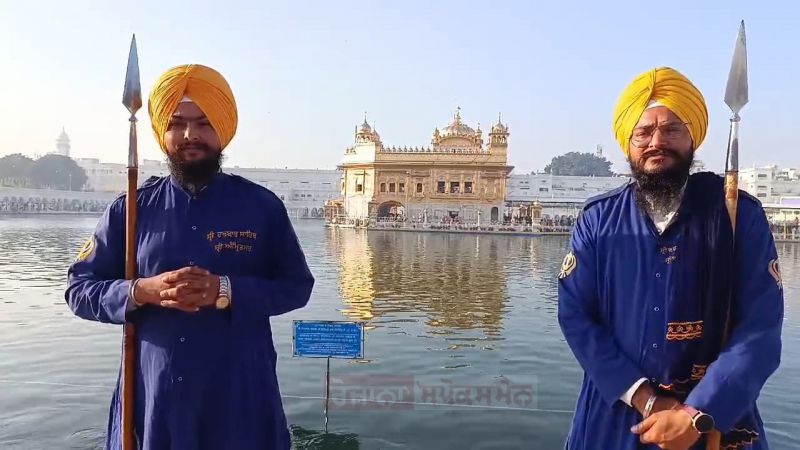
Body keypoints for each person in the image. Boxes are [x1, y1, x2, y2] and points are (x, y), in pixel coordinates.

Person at [65, 64, 314, 449]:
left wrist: (225, 289)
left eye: (204, 123)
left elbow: (297, 286)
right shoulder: (131, 209)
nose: (189, 135)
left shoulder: (261, 207)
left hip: (239, 397)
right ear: (162, 132)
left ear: (223, 131)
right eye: (177, 123)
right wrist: (140, 291)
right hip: (155, 396)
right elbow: (80, 290)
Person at [557, 67, 783, 449]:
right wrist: (647, 399)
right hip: (617, 416)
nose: (656, 142)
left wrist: (696, 414)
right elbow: (577, 318)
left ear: (693, 137)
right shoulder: (599, 220)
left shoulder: (736, 215)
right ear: (627, 142)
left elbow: (760, 328)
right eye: (643, 132)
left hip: (714, 421)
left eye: (672, 130)